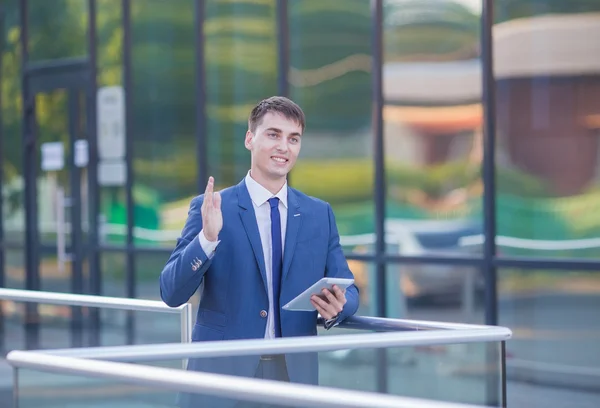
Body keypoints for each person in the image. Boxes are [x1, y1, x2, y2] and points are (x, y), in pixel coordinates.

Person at [159, 96, 359, 407]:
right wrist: (207, 239)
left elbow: (349, 289)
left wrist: (337, 307)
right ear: (250, 139)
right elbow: (171, 292)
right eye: (273, 134)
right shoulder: (212, 207)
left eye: (293, 139)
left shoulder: (319, 214)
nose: (284, 146)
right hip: (221, 377)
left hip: (292, 379)